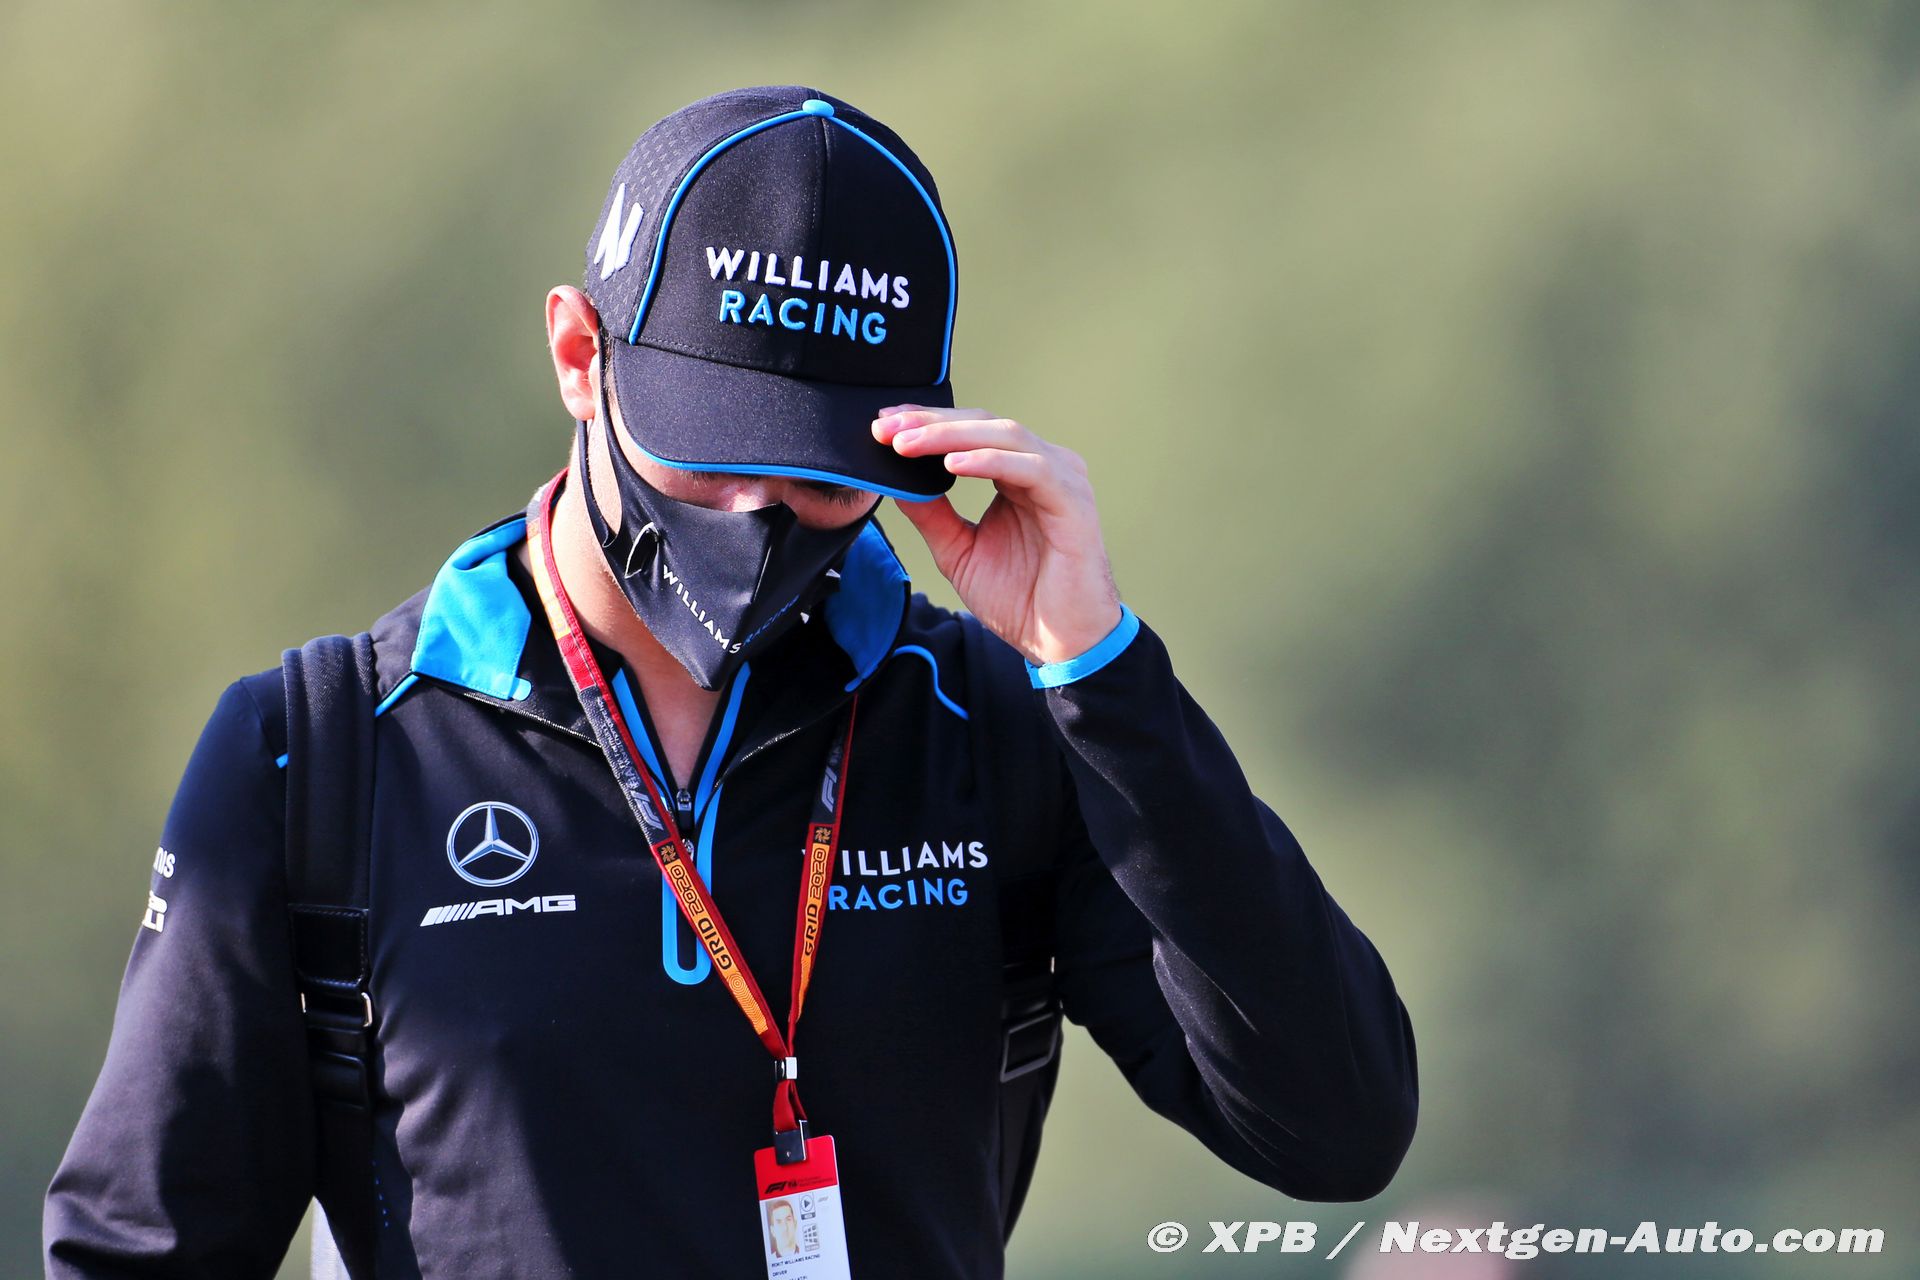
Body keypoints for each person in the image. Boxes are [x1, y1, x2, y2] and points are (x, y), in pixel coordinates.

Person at [44, 84, 1418, 1279]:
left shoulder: (993, 725)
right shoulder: (317, 756)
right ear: (579, 356)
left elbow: (1336, 1130)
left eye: (821, 475)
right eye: (713, 449)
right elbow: (138, 1254)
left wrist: (1098, 671)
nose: (760, 514)